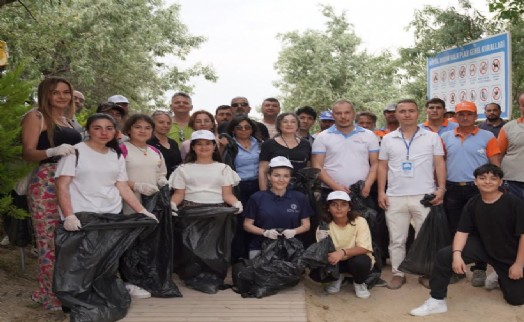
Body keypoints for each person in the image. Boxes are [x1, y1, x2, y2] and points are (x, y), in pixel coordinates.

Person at [55, 113, 158, 299]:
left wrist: (142, 211)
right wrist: (69, 215)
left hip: (111, 214)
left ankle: (110, 289)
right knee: (84, 259)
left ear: (116, 132)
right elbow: (62, 185)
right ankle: (80, 296)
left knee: (109, 257)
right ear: (88, 130)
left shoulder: (115, 154)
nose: (104, 132)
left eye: (109, 128)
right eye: (97, 128)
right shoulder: (75, 152)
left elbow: (122, 186)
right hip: (83, 215)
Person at [410, 164, 524, 316]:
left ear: (500, 182)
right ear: (475, 182)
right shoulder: (473, 203)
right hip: (482, 246)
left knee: (516, 299)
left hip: (508, 253)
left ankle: (499, 275)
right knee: (445, 255)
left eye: (493, 178)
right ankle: (436, 300)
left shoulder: (514, 203)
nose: (487, 182)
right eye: (482, 178)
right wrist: (456, 255)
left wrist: (518, 264)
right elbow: (462, 231)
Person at [22, 77, 82, 310]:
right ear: (44, 94)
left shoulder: (68, 120)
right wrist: (52, 150)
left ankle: (67, 288)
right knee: (48, 240)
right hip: (47, 182)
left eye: (65, 92)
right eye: (54, 92)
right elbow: (27, 152)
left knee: (69, 239)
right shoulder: (35, 116)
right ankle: (50, 295)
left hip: (72, 182)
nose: (61, 96)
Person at [377, 99, 446, 290]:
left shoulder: (431, 137)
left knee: (425, 238)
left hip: (424, 195)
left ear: (418, 113)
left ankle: (426, 272)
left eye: (411, 111)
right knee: (396, 239)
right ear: (396, 114)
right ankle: (398, 273)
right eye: (402, 111)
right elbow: (382, 166)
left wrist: (441, 188)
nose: (406, 114)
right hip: (395, 196)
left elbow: (439, 163)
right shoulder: (388, 138)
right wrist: (381, 192)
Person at [441, 101, 501, 286]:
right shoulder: (445, 136)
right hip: (453, 189)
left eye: (469, 114)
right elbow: (440, 163)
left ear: (476, 117)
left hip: (479, 189)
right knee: (455, 229)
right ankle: (457, 268)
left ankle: (480, 269)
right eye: (461, 114)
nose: (465, 117)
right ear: (455, 117)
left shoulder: (487, 136)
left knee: (482, 228)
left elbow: (495, 163)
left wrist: (496, 186)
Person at [244, 156, 312, 259]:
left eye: (286, 176)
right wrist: (265, 233)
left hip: (291, 248)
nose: (281, 180)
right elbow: (247, 225)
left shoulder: (299, 198)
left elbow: (306, 225)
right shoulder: (257, 198)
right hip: (261, 248)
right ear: (268, 176)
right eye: (276, 175)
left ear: (290, 178)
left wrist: (294, 231)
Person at [312, 99, 379, 198]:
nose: (343, 116)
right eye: (338, 113)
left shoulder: (369, 135)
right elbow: (317, 165)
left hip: (361, 191)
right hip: (330, 191)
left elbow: (375, 163)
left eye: (347, 112)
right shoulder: (322, 137)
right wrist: (336, 187)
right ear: (333, 115)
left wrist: (368, 185)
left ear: (353, 114)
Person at [316, 191, 374, 298]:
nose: (339, 208)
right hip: (335, 260)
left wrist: (342, 252)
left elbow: (364, 248)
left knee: (361, 261)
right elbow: (322, 250)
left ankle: (359, 283)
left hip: (354, 258)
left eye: (343, 204)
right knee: (316, 267)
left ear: (349, 207)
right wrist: (335, 256)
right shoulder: (323, 225)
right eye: (334, 204)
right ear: (328, 208)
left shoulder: (360, 221)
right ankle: (337, 277)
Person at [170, 129, 242, 212]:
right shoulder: (182, 169)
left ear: (214, 146)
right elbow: (179, 194)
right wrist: (173, 204)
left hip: (218, 212)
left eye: (208, 144)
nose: (203, 147)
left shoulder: (224, 169)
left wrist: (236, 203)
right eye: (199, 144)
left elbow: (227, 195)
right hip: (190, 211)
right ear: (193, 147)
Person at [223, 116, 263, 262]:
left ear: (252, 129)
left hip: (258, 185)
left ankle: (255, 255)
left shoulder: (260, 144)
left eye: (247, 127)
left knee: (257, 220)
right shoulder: (228, 145)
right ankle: (238, 258)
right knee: (239, 221)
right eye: (239, 127)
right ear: (233, 129)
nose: (244, 130)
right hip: (238, 187)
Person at [120, 114, 168, 215]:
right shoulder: (121, 150)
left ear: (152, 131)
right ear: (129, 130)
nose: (143, 131)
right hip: (127, 204)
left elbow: (161, 173)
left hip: (152, 204)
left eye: (147, 128)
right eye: (138, 127)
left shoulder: (156, 152)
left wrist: (161, 180)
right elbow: (112, 177)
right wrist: (136, 186)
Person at [258, 112, 312, 190]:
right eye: (285, 121)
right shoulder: (268, 144)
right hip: (276, 188)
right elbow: (262, 170)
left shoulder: (306, 144)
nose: (289, 124)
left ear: (297, 125)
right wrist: (263, 193)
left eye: (293, 122)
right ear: (279, 125)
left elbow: (309, 167)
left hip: (301, 189)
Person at [498, 92, 524, 201]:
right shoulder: (508, 128)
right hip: (514, 183)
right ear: (520, 107)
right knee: (515, 214)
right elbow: (498, 155)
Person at [148, 110, 182, 179]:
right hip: (155, 182)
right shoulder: (148, 143)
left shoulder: (173, 143)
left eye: (168, 123)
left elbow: (179, 164)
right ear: (152, 123)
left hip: (175, 182)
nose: (165, 125)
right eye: (161, 122)